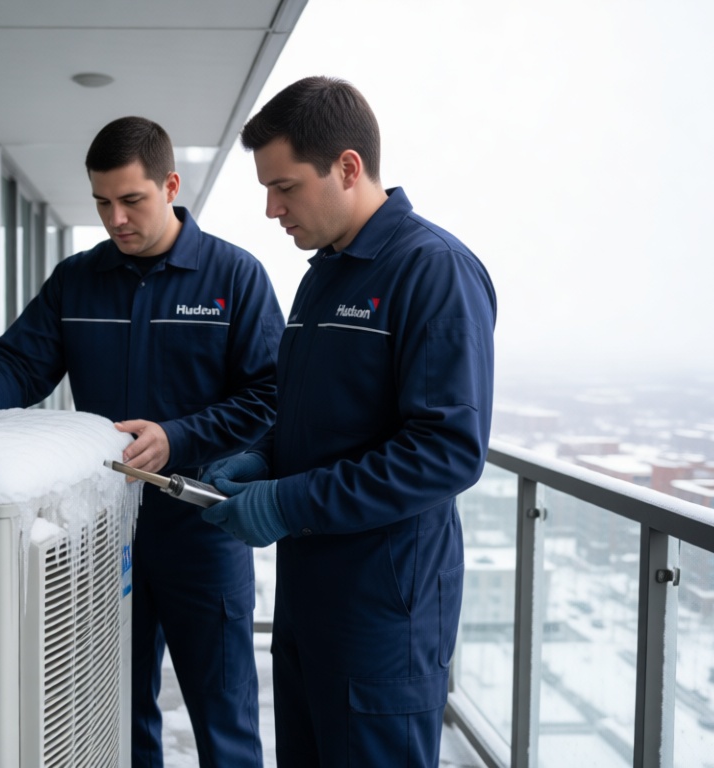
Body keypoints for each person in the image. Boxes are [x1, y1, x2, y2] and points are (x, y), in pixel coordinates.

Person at [0, 116, 282, 768]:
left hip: (203, 526)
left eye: (132, 200)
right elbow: (24, 362)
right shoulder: (78, 279)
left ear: (171, 185)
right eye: (102, 203)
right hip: (103, 528)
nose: (115, 218)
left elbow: (268, 398)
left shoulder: (237, 277)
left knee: (223, 713)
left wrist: (177, 439)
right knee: (113, 705)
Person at [201, 76, 496, 767]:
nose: (272, 209)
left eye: (285, 187)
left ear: (348, 167)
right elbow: (315, 411)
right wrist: (265, 457)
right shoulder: (323, 274)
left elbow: (446, 452)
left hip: (383, 613)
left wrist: (286, 500)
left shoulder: (434, 270)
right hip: (311, 600)